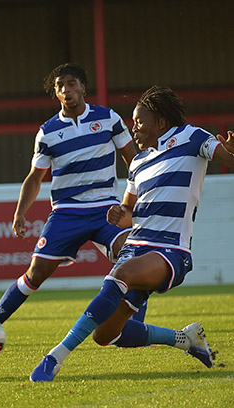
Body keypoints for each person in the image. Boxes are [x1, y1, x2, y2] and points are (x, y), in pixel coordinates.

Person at [30, 85, 233, 382]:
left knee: (121, 274)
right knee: (107, 334)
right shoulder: (137, 164)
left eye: (139, 121)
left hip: (170, 251)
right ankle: (186, 339)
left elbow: (226, 158)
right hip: (135, 247)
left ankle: (55, 356)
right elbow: (128, 214)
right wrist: (118, 215)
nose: (133, 128)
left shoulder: (192, 137)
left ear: (160, 123)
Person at [0, 63, 140, 332]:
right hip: (67, 212)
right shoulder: (48, 131)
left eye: (71, 84)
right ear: (56, 94)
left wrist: (134, 200)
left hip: (107, 208)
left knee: (133, 257)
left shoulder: (108, 119)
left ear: (83, 87)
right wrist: (20, 212)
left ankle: (134, 327)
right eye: (60, 86)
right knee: (36, 274)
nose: (66, 90)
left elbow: (133, 161)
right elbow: (35, 176)